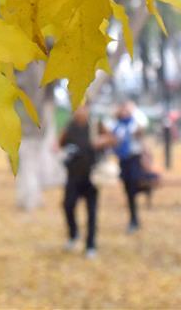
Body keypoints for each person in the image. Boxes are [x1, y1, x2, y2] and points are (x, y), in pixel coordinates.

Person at [59, 102, 114, 258]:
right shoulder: (70, 126)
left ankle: (90, 245)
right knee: (68, 205)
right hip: (73, 175)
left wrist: (102, 141)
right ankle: (73, 234)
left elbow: (113, 139)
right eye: (77, 107)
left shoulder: (96, 125)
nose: (79, 111)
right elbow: (59, 143)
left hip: (92, 176)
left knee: (91, 212)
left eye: (83, 107)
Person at [110, 100, 149, 233]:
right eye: (123, 111)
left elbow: (142, 126)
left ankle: (135, 216)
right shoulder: (117, 127)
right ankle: (133, 218)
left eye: (127, 111)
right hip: (123, 160)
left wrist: (134, 110)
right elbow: (113, 141)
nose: (125, 113)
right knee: (128, 188)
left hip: (134, 158)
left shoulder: (134, 124)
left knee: (134, 184)